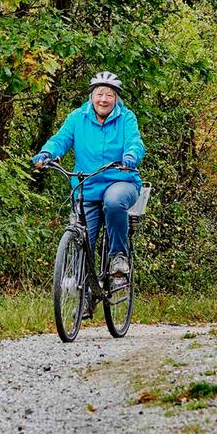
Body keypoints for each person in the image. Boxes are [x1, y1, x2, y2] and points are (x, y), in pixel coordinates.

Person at [32, 71, 145, 283]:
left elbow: (135, 142)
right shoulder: (77, 117)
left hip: (120, 180)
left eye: (109, 95)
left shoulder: (126, 118)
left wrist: (130, 156)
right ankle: (85, 293)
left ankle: (118, 257)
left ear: (116, 99)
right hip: (87, 185)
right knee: (83, 238)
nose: (104, 99)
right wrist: (47, 153)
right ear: (91, 96)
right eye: (100, 94)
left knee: (113, 202)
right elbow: (61, 139)